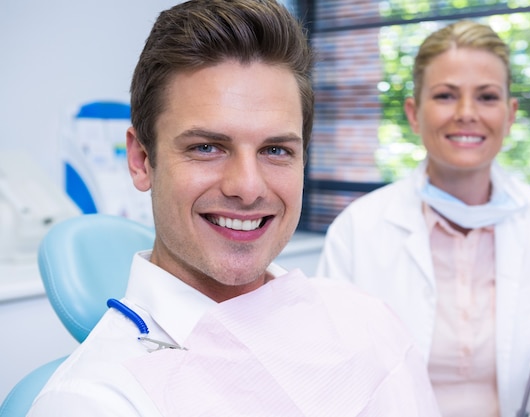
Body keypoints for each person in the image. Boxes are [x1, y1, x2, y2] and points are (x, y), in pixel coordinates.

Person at [27, 1, 441, 416]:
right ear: (141, 160)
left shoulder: (363, 318)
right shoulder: (92, 400)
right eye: (206, 147)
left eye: (275, 149)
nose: (247, 187)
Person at [316, 19, 530, 417]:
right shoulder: (358, 229)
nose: (467, 113)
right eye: (445, 95)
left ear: (510, 115)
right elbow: (331, 379)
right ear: (414, 114)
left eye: (487, 97)